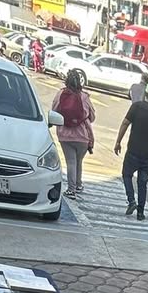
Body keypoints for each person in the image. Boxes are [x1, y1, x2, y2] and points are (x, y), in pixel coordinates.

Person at [114, 83, 148, 220]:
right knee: (142, 183)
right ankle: (141, 212)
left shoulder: (136, 107)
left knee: (126, 175)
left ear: (145, 95)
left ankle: (131, 201)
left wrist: (118, 142)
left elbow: (125, 123)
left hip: (133, 151)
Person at [52, 68, 95, 201]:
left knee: (71, 161)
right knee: (78, 160)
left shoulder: (60, 94)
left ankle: (71, 190)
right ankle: (78, 185)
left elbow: (54, 111)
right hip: (82, 136)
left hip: (64, 134)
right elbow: (92, 117)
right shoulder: (84, 97)